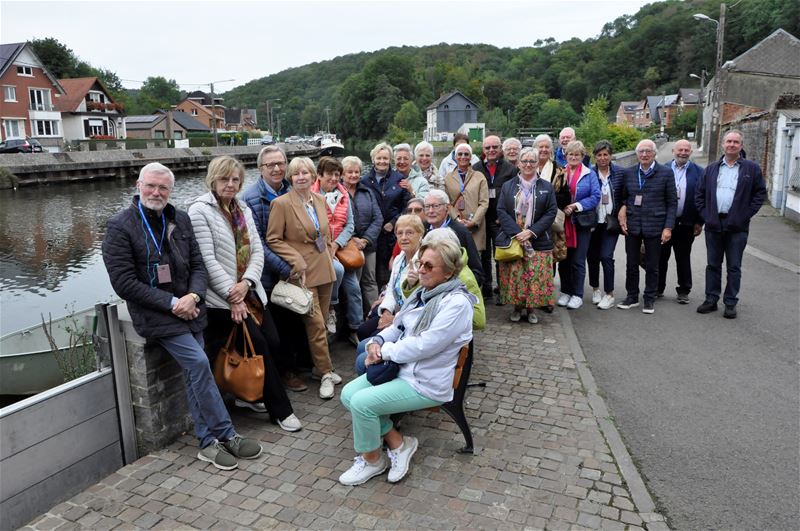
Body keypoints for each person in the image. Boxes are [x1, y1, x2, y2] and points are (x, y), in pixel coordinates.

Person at [102, 162, 262, 470]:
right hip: (158, 315)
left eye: (163, 187)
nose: (156, 192)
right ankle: (226, 433)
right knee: (200, 363)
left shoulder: (180, 219)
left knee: (195, 372)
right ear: (138, 185)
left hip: (190, 308)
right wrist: (173, 302)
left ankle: (207, 441)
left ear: (170, 191)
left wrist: (194, 295)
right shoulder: (120, 227)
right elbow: (124, 283)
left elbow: (198, 266)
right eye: (151, 185)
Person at [339, 237, 474, 486]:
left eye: (428, 266)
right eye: (420, 263)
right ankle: (399, 443)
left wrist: (385, 351)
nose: (420, 269)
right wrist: (375, 342)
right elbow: (397, 325)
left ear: (449, 272)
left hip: (426, 381)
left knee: (361, 403)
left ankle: (372, 460)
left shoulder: (456, 303)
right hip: (404, 371)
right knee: (348, 394)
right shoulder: (423, 294)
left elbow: (425, 345)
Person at [188, 156, 301, 432]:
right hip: (221, 301)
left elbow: (258, 251)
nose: (230, 184)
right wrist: (233, 296)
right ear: (213, 179)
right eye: (224, 179)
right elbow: (207, 260)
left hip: (250, 293)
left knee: (273, 340)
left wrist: (247, 283)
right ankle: (281, 411)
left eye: (235, 179)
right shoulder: (199, 211)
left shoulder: (243, 209)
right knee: (259, 345)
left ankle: (247, 395)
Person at [266, 157, 341, 399]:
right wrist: (296, 260)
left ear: (313, 176)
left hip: (324, 269)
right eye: (296, 173)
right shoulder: (281, 204)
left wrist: (329, 252)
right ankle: (327, 372)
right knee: (316, 324)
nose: (301, 177)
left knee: (324, 321)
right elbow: (273, 239)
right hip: (303, 274)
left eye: (305, 173)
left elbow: (326, 232)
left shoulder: (319, 199)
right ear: (290, 177)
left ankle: (320, 369)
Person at [241, 145, 311, 393]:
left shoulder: (292, 191)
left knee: (294, 320)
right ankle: (285, 372)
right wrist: (286, 267)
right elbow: (257, 242)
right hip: (268, 275)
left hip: (292, 269)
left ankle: (300, 364)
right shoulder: (249, 199)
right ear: (260, 169)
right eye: (270, 164)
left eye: (280, 163)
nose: (277, 168)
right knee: (278, 327)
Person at [695, 129, 766, 318]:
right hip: (714, 224)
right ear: (723, 144)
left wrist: (746, 214)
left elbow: (760, 194)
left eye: (736, 142)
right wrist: (706, 215)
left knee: (734, 266)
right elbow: (699, 195)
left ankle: (730, 302)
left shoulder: (751, 168)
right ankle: (711, 299)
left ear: (741, 146)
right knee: (713, 265)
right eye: (729, 141)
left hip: (737, 226)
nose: (732, 145)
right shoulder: (711, 169)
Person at [496, 147, 557, 323]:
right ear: (519, 164)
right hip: (514, 238)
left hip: (537, 239)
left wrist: (531, 232)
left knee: (533, 276)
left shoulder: (546, 187)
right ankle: (517, 308)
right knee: (516, 276)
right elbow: (501, 210)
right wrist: (517, 233)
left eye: (532, 161)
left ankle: (531, 309)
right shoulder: (509, 186)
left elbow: (551, 211)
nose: (528, 165)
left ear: (538, 163)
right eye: (524, 161)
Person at [617, 139, 677, 314]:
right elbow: (624, 197)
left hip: (655, 225)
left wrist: (668, 227)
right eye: (641, 151)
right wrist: (622, 208)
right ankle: (632, 296)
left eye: (648, 151)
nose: (644, 155)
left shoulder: (666, 173)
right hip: (633, 224)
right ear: (636, 154)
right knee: (631, 263)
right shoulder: (629, 173)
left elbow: (672, 203)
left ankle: (649, 298)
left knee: (652, 265)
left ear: (654, 153)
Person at [311, 157, 363, 345]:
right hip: (319, 248)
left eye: (336, 175)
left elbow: (350, 225)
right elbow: (310, 225)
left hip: (339, 247)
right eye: (329, 174)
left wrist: (337, 244)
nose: (334, 179)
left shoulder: (343, 195)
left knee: (354, 288)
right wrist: (326, 246)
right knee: (337, 271)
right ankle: (331, 308)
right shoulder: (311, 195)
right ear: (319, 175)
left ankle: (356, 328)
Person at [358, 214, 424, 341]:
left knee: (371, 339)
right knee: (362, 331)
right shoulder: (399, 258)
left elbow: (417, 303)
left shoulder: (423, 261)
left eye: (409, 233)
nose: (404, 237)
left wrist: (394, 318)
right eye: (400, 233)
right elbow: (391, 290)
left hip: (409, 317)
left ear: (420, 234)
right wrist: (387, 311)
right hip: (393, 309)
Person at [658, 139, 704, 303]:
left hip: (687, 223)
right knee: (661, 257)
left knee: (683, 257)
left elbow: (703, 198)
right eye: (680, 150)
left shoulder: (699, 172)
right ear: (673, 151)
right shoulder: (661, 169)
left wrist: (700, 221)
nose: (683, 153)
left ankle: (684, 290)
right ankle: (657, 288)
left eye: (686, 150)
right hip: (663, 223)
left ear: (690, 152)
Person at [556, 141, 601, 310]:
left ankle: (577, 294)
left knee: (578, 260)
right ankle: (566, 291)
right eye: (570, 154)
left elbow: (595, 196)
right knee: (563, 259)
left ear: (583, 156)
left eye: (577, 155)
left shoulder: (589, 174)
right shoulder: (560, 172)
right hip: (562, 222)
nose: (573, 157)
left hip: (580, 222)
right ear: (565, 156)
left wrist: (576, 206)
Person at [472, 135, 517, 298]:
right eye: (488, 148)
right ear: (483, 150)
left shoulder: (510, 169)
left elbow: (514, 195)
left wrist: (505, 216)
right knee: (483, 254)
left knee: (501, 254)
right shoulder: (476, 168)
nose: (491, 150)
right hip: (482, 218)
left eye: (494, 147)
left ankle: (502, 287)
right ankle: (486, 287)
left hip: (500, 219)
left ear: (500, 149)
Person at [362, 142, 412, 289]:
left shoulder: (399, 179)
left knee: (393, 269)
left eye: (385, 158)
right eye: (379, 158)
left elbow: (407, 205)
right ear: (373, 160)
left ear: (390, 159)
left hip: (393, 234)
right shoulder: (364, 181)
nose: (382, 161)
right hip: (372, 233)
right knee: (373, 274)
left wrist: (394, 222)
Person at [342, 156, 383, 316]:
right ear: (342, 174)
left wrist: (365, 240)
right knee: (352, 284)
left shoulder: (367, 192)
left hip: (368, 245)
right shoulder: (337, 192)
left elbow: (378, 218)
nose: (353, 175)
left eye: (357, 172)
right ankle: (353, 320)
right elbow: (337, 221)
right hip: (347, 246)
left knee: (370, 281)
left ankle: (374, 315)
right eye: (349, 172)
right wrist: (352, 239)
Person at [586, 140, 625, 310]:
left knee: (606, 256)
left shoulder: (620, 173)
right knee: (592, 257)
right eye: (599, 155)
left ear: (610, 156)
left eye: (606, 154)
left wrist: (623, 208)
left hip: (610, 223)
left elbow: (626, 195)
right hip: (593, 223)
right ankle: (595, 289)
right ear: (595, 156)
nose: (602, 158)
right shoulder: (589, 173)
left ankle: (609, 294)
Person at [423, 189, 483, 287]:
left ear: (447, 208)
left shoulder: (460, 232)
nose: (430, 211)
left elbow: (476, 271)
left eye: (435, 206)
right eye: (427, 207)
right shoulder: (422, 229)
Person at [445, 142, 489, 266]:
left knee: (475, 261)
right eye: (460, 154)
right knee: (456, 260)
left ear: (470, 157)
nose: (463, 157)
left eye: (466, 154)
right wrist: (457, 219)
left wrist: (474, 221)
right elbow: (447, 203)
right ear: (455, 157)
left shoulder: (479, 176)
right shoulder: (448, 178)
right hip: (457, 224)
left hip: (476, 226)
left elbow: (484, 202)